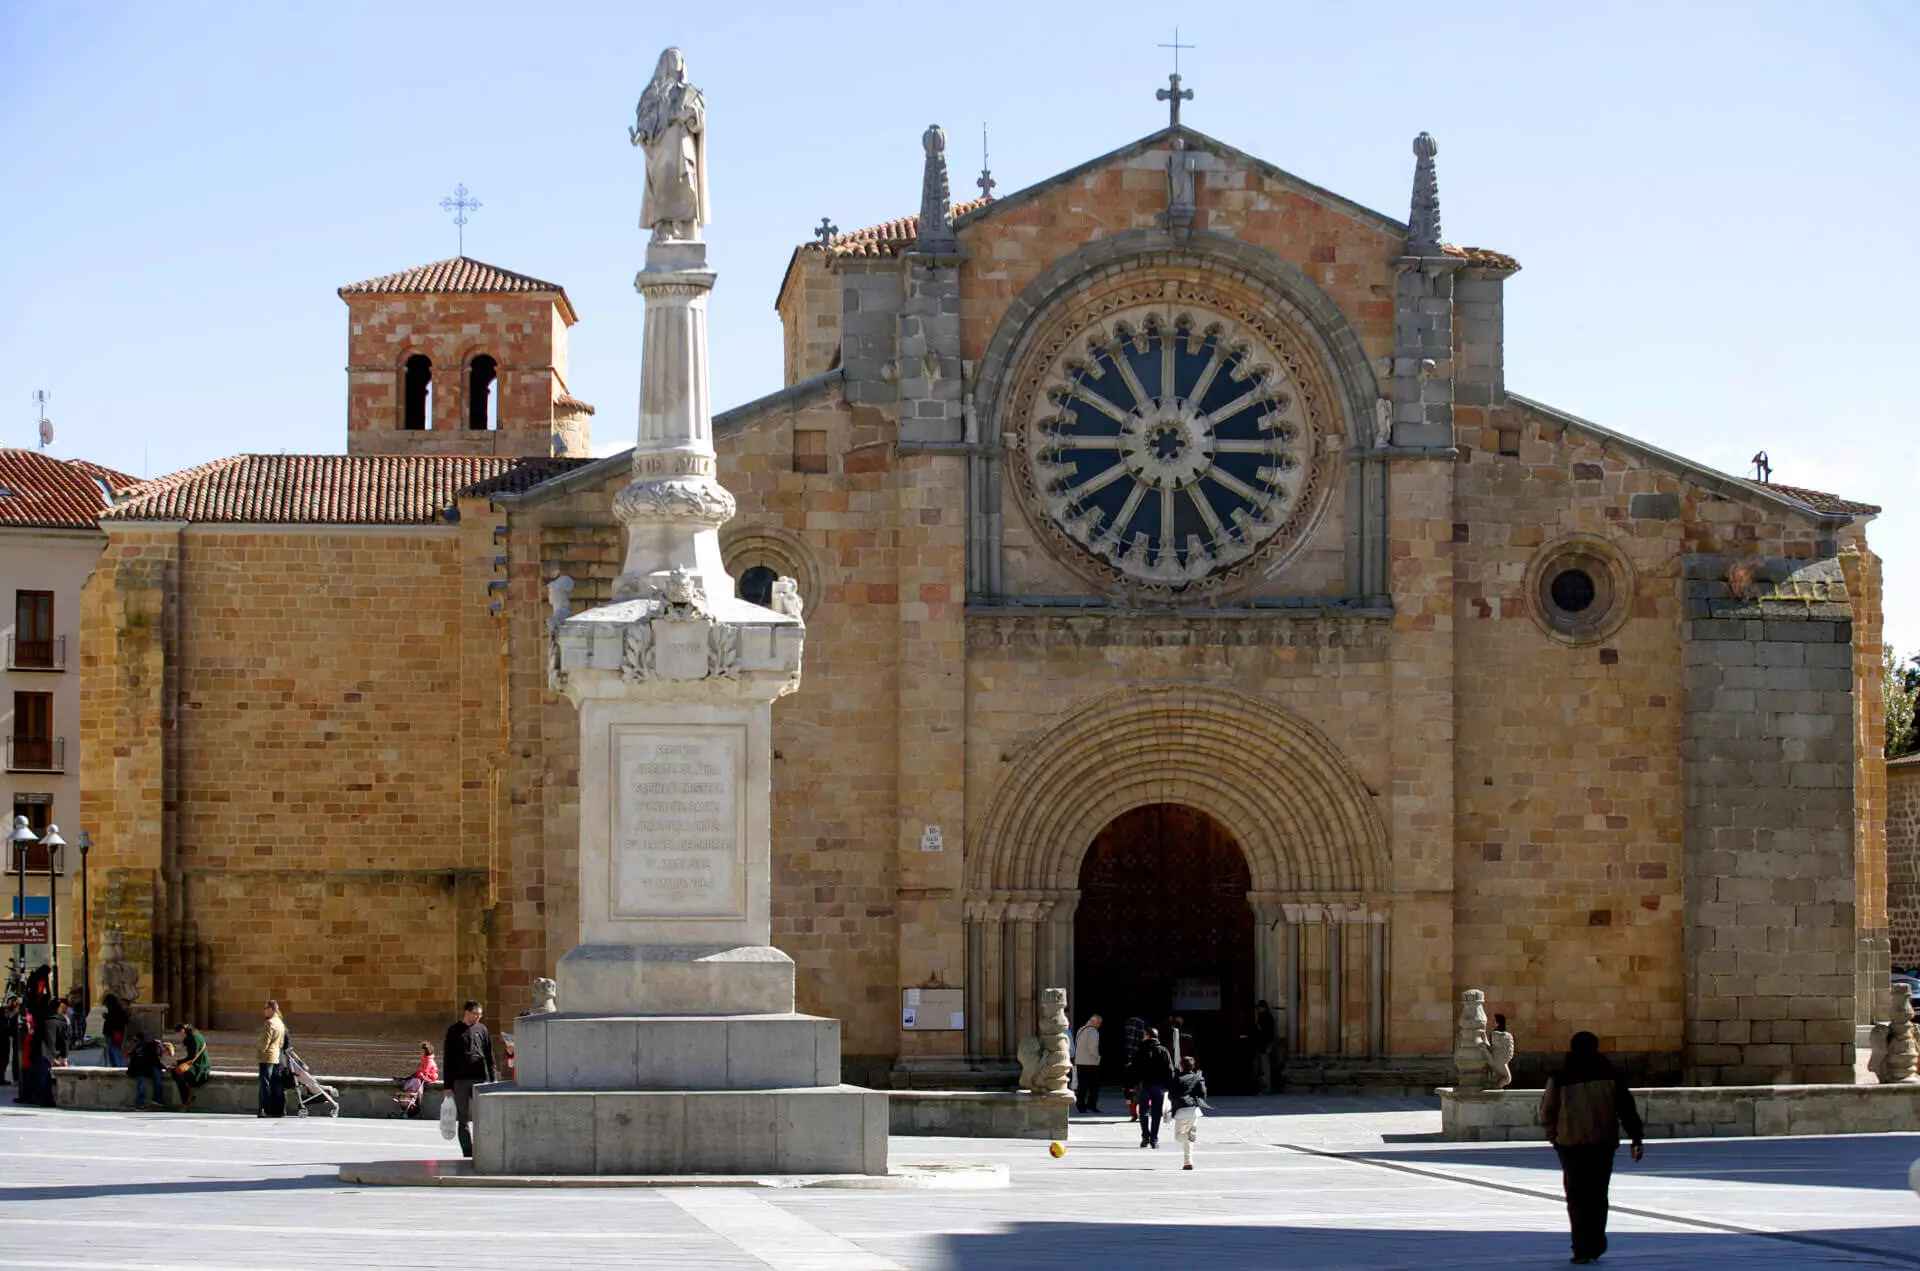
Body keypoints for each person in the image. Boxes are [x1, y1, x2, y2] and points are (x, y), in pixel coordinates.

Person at [1539, 1031, 1644, 1265]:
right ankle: (1595, 1244)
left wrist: (1554, 1138)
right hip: (1602, 1143)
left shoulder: (1561, 1076)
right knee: (1598, 1195)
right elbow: (1626, 1108)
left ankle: (1581, 1248)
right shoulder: (1611, 1073)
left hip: (1570, 1144)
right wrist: (1636, 1138)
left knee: (1576, 1197)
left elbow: (1547, 1111)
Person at [441, 1000, 497, 1158]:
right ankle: (468, 1150)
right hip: (460, 1080)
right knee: (463, 1117)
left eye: (480, 1014)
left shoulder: (482, 1030)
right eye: (476, 1014)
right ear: (466, 1013)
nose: (478, 1017)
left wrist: (493, 1080)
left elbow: (489, 1055)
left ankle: (483, 1148)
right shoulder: (454, 1031)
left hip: (479, 1078)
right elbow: (448, 1059)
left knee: (482, 1115)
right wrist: (447, 1085)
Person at [1133, 1027, 1175, 1150]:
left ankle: (1145, 1136)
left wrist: (1133, 1084)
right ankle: (1154, 1139)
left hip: (1144, 1085)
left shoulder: (1141, 1050)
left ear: (1147, 1036)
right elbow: (1170, 1070)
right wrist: (1169, 1086)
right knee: (1157, 1114)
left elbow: (1135, 1068)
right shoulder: (1163, 1050)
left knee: (1143, 1112)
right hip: (1159, 1086)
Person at [1169, 1054, 1211, 1170]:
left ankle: (1188, 1136)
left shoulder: (1177, 1079)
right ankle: (1188, 1162)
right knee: (1189, 1140)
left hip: (1181, 1110)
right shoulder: (1198, 1077)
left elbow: (1172, 1094)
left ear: (1181, 1066)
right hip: (1194, 1110)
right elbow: (1203, 1093)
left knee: (1179, 1137)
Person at [256, 1000, 287, 1118]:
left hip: (267, 1056)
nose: (264, 1010)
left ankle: (266, 1108)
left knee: (265, 1083)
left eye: (265, 1008)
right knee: (275, 1083)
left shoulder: (269, 1023)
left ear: (272, 1009)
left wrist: (260, 1052)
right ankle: (277, 1109)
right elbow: (281, 1042)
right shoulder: (280, 1023)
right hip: (276, 1055)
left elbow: (265, 1042)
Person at [171, 1022, 210, 1112]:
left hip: (200, 1067)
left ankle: (186, 1100)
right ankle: (186, 1099)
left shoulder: (193, 1038)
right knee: (176, 1071)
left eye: (179, 1034)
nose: (180, 1036)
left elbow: (192, 1056)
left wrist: (179, 1062)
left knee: (178, 1073)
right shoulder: (193, 1036)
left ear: (182, 1031)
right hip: (197, 1064)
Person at [1072, 1013, 1103, 1114]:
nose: (1099, 1025)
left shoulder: (1081, 1029)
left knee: (1082, 1085)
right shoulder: (1093, 1031)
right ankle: (1091, 1104)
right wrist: (1097, 1057)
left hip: (1080, 1061)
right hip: (1090, 1062)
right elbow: (1092, 1047)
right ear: (1096, 1022)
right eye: (1099, 1023)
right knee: (1095, 1085)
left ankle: (1081, 1106)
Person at [128, 1034, 167, 1111]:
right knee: (142, 1085)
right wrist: (163, 1067)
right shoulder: (156, 1047)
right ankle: (141, 1104)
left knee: (142, 1084)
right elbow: (155, 1060)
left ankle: (145, 1102)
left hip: (137, 1066)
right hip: (141, 1067)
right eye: (167, 1053)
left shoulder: (143, 1045)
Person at [1122, 1015, 1147, 1121]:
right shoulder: (1144, 1033)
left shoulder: (1129, 1031)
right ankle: (1142, 1111)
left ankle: (1133, 1113)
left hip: (1130, 1065)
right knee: (1142, 1090)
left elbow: (1128, 1046)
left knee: (1129, 1091)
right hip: (1141, 1065)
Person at [1253, 1000, 1279, 1094]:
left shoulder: (1267, 1018)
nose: (1258, 1009)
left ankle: (1267, 1087)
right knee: (1258, 1067)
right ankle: (1262, 1086)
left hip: (1264, 1046)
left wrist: (1269, 1045)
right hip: (1260, 1046)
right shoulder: (1262, 1018)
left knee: (1265, 1068)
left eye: (1259, 1008)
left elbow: (1268, 1033)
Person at [102, 993, 131, 1068]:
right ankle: (117, 1066)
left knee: (114, 1050)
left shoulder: (113, 1009)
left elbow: (112, 1022)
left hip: (112, 1033)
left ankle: (118, 1066)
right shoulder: (119, 1009)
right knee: (115, 1050)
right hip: (117, 1033)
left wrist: (106, 1017)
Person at [1489, 1013, 1516, 1090]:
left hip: (1499, 1058)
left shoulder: (1495, 1034)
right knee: (1507, 1078)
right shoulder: (1499, 1034)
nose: (1492, 1022)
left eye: (1494, 1021)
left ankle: (1496, 1089)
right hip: (1500, 1058)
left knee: (1506, 1078)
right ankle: (1496, 1089)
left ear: (1498, 1023)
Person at [0, 995, 16, 1086]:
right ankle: (1, 1079)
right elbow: (9, 1031)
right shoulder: (3, 1022)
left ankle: (1, 1078)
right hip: (3, 1044)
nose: (7, 1012)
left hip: (4, 1043)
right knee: (3, 1061)